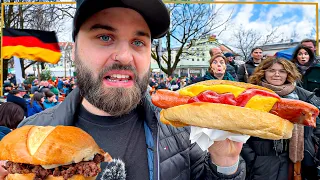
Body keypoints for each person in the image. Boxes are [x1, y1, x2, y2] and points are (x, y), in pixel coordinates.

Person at [0, 1, 245, 179]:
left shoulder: (180, 130)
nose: (125, 56)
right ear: (74, 51)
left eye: (138, 42)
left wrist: (225, 162)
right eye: (105, 37)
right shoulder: (26, 138)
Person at [242, 57, 320, 180]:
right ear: (263, 72)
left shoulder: (304, 96)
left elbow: (316, 127)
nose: (277, 74)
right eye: (271, 70)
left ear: (288, 73)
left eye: (282, 71)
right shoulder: (252, 95)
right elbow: (239, 129)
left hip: (299, 162)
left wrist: (312, 151)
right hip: (263, 163)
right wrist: (253, 159)